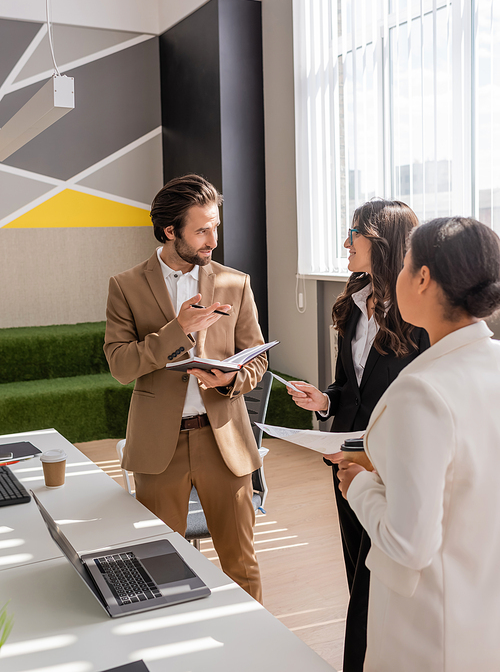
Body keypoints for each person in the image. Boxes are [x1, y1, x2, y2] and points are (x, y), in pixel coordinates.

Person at [338, 216, 500, 672]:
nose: (400, 274)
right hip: (483, 613)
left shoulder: (423, 391)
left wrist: (358, 486)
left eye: (406, 264)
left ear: (423, 278)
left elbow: (408, 543)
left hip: (427, 631)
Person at [104, 174, 266, 602]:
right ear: (170, 231)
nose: (213, 238)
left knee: (241, 566)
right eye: (201, 230)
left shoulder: (236, 283)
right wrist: (178, 330)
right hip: (160, 446)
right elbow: (120, 365)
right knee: (160, 567)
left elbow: (258, 359)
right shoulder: (125, 286)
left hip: (224, 442)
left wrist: (232, 379)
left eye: (215, 226)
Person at [288, 199, 429, 672]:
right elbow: (347, 386)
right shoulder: (351, 302)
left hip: (392, 465)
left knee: (375, 579)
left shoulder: (421, 313)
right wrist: (323, 401)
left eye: (354, 234)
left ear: (382, 242)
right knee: (357, 569)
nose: (345, 244)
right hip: (345, 457)